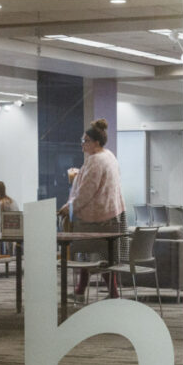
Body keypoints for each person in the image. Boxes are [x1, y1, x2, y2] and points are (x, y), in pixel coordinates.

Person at [64, 118, 125, 298]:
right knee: (102, 255)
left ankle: (108, 293)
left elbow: (86, 192)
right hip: (111, 213)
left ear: (96, 142)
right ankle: (83, 290)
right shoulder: (109, 156)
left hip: (97, 217)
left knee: (94, 254)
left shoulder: (95, 161)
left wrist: (70, 207)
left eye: (86, 141)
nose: (82, 144)